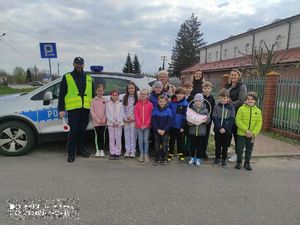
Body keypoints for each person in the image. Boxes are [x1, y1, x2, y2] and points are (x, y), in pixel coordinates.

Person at [58, 57, 94, 163]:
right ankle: (71, 153)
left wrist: (94, 108)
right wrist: (61, 109)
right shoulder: (67, 77)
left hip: (85, 109)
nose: (79, 65)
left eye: (81, 64)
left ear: (83, 65)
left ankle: (80, 150)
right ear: (73, 64)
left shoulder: (88, 77)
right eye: (77, 63)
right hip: (73, 109)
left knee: (82, 131)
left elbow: (93, 94)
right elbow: (62, 94)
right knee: (73, 132)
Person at [235, 92, 262, 170]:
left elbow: (259, 123)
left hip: (252, 135)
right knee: (240, 148)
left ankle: (247, 163)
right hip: (241, 133)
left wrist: (253, 133)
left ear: (255, 101)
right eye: (248, 99)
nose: (250, 101)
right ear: (245, 100)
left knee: (249, 149)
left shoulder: (258, 111)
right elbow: (238, 120)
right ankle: (239, 161)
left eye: (252, 99)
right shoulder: (241, 109)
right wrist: (246, 130)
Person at [225, 69, 247, 162]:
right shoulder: (228, 86)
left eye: (235, 75)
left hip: (237, 113)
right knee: (228, 133)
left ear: (239, 76)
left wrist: (231, 104)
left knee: (236, 134)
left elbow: (241, 100)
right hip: (227, 113)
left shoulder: (242, 86)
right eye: (232, 75)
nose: (233, 76)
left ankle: (238, 154)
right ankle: (229, 150)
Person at [212, 89, 235, 167]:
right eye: (221, 98)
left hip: (227, 130)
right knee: (218, 145)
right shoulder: (216, 106)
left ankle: (224, 159)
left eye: (224, 98)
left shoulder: (231, 107)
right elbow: (214, 117)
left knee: (225, 146)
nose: (222, 99)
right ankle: (217, 158)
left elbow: (232, 119)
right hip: (218, 130)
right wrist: (219, 128)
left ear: (228, 98)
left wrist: (225, 128)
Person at [188, 93, 210, 166]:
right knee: (192, 146)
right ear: (194, 101)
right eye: (196, 101)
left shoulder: (205, 110)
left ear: (202, 102)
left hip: (201, 132)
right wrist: (189, 123)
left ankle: (198, 158)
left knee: (200, 146)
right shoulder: (191, 109)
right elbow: (188, 119)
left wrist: (206, 120)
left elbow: (208, 120)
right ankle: (192, 157)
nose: (198, 102)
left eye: (199, 101)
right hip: (193, 131)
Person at [168, 87, 188, 161]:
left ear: (184, 95)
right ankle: (170, 153)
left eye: (182, 94)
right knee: (172, 140)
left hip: (180, 126)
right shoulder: (171, 103)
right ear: (175, 94)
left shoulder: (185, 103)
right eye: (178, 94)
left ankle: (180, 153)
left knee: (180, 141)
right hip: (172, 125)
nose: (180, 95)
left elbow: (185, 116)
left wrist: (183, 126)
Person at [151, 95, 172, 165]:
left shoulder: (169, 110)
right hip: (157, 131)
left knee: (164, 145)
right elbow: (153, 121)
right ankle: (156, 158)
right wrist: (158, 129)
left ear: (166, 102)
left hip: (165, 132)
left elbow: (169, 122)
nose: (162, 103)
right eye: (160, 101)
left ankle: (163, 158)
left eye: (163, 101)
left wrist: (164, 130)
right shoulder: (154, 110)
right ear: (158, 101)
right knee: (156, 145)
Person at [134, 89, 153, 163]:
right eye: (141, 94)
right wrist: (139, 124)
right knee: (140, 141)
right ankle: (141, 154)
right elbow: (136, 115)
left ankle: (146, 154)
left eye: (144, 94)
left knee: (145, 140)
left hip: (147, 126)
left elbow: (150, 116)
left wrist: (146, 124)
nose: (143, 95)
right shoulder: (137, 104)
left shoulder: (150, 104)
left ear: (147, 95)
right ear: (139, 95)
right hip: (139, 126)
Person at [106, 89, 124, 160]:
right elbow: (107, 114)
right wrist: (113, 121)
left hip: (118, 124)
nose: (114, 97)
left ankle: (117, 153)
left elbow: (121, 114)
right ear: (111, 96)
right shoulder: (108, 104)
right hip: (111, 124)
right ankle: (112, 152)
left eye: (116, 95)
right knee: (111, 138)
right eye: (113, 95)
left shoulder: (120, 104)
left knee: (118, 138)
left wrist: (118, 122)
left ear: (118, 96)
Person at [90, 84, 107, 157]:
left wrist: (104, 119)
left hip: (103, 122)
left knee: (102, 136)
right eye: (98, 91)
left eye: (101, 91)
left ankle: (102, 150)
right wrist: (97, 119)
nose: (100, 92)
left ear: (103, 91)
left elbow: (107, 111)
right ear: (96, 91)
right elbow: (92, 111)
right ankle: (97, 150)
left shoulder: (106, 100)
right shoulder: (93, 100)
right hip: (96, 122)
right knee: (97, 136)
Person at [123, 82, 138, 158]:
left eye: (132, 88)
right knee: (127, 135)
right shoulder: (125, 97)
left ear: (134, 89)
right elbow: (122, 109)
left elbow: (137, 110)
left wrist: (132, 118)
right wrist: (125, 118)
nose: (130, 89)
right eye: (129, 88)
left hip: (133, 120)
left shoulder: (137, 98)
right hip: (126, 120)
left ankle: (133, 151)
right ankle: (127, 150)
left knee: (133, 136)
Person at [202, 81, 216, 160]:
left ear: (211, 89)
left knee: (206, 136)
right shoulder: (200, 97)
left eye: (208, 88)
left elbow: (213, 110)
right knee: (200, 135)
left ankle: (204, 152)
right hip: (200, 120)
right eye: (205, 88)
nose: (207, 90)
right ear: (202, 89)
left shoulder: (212, 98)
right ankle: (198, 151)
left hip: (208, 120)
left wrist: (211, 119)